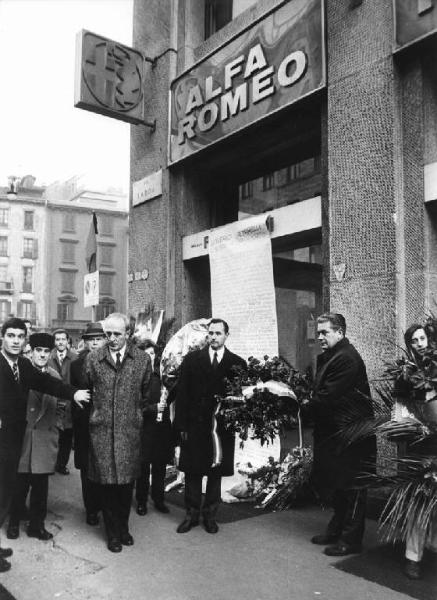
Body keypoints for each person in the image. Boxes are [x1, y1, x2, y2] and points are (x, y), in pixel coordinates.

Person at [0, 318, 90, 572]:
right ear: (3, 337)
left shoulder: (22, 367)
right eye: (11, 336)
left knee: (7, 493)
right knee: (4, 493)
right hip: (5, 441)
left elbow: (47, 383)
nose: (16, 341)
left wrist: (73, 393)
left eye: (20, 336)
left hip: (13, 441)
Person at [85, 313, 152, 553]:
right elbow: (87, 391)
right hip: (102, 432)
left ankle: (124, 528)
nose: (111, 339)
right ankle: (112, 533)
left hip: (129, 432)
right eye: (108, 334)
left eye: (116, 334)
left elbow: (146, 395)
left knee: (125, 486)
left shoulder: (142, 360)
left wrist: (133, 415)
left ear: (128, 334)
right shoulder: (93, 359)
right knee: (107, 486)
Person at [309, 312, 375, 557]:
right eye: (318, 332)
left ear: (340, 332)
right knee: (339, 484)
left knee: (353, 487)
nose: (319, 337)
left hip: (353, 435)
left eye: (324, 332)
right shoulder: (333, 356)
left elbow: (326, 397)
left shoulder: (346, 359)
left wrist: (297, 403)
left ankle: (351, 540)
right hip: (339, 433)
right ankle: (337, 531)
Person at [174, 318, 246, 535]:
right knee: (193, 472)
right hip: (195, 426)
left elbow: (241, 399)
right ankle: (191, 515)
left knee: (215, 472)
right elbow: (182, 395)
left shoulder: (237, 364)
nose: (213, 337)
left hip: (220, 428)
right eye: (211, 333)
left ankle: (210, 516)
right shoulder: (191, 360)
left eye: (218, 333)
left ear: (226, 335)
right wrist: (181, 428)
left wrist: (238, 425)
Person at [6, 333, 64, 541]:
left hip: (45, 439)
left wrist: (56, 427)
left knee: (41, 487)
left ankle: (36, 526)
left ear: (51, 353)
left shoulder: (55, 377)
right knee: (19, 484)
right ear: (31, 351)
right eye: (38, 350)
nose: (42, 355)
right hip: (24, 437)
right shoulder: (21, 374)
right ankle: (13, 522)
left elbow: (62, 405)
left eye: (46, 351)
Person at [397, 324, 437, 580]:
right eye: (414, 340)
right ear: (409, 344)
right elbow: (400, 409)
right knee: (420, 501)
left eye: (423, 338)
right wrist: (414, 427)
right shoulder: (404, 374)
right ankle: (413, 556)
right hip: (422, 444)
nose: (420, 343)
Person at [70, 322, 106, 527]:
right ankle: (91, 509)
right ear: (85, 342)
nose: (94, 343)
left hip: (106, 425)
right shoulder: (76, 365)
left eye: (98, 339)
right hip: (84, 425)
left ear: (104, 340)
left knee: (104, 468)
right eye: (90, 339)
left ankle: (103, 505)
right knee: (86, 469)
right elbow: (72, 394)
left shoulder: (112, 363)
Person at [135, 339, 174, 516]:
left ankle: (159, 499)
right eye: (146, 354)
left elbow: (169, 398)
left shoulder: (161, 377)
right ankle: (141, 501)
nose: (150, 357)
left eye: (152, 354)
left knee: (159, 466)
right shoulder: (135, 379)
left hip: (160, 430)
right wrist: (153, 408)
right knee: (143, 468)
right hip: (144, 430)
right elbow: (133, 406)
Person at [49, 328, 78, 475]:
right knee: (53, 435)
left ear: (67, 341)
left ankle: (61, 464)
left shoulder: (75, 358)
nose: (60, 342)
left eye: (63, 339)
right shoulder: (48, 356)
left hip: (69, 404)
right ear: (54, 342)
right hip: (52, 403)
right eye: (57, 339)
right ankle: (50, 464)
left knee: (67, 435)